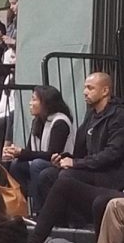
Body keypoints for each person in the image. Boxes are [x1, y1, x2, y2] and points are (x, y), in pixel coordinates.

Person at [33, 73, 124, 215]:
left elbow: (112, 154)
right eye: (84, 88)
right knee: (47, 174)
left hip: (109, 173)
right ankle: (58, 224)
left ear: (105, 91)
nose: (85, 92)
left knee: (66, 176)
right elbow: (80, 152)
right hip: (90, 168)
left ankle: (78, 222)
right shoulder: (91, 115)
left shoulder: (118, 116)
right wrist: (64, 158)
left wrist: (75, 163)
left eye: (90, 88)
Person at [4, 86, 74, 200]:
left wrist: (22, 152)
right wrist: (14, 153)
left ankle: (39, 211)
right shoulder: (37, 122)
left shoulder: (60, 122)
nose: (30, 103)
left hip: (60, 163)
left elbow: (52, 154)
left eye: (34, 99)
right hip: (43, 162)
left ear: (46, 103)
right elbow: (29, 151)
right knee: (17, 164)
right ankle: (21, 205)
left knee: (37, 164)